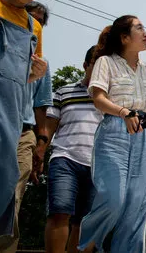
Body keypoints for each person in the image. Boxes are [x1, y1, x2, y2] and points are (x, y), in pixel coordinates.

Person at [77, 15, 146, 252]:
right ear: (125, 37)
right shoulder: (105, 62)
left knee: (138, 204)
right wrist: (123, 112)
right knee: (112, 198)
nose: (145, 32)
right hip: (115, 131)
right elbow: (98, 98)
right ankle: (87, 246)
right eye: (139, 28)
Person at [0, 0, 52, 245]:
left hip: (11, 107)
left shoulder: (33, 27)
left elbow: (20, 74)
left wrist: (35, 74)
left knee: (3, 175)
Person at [38, 46, 102, 253]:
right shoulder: (63, 91)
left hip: (99, 165)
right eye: (96, 63)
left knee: (86, 222)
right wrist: (40, 151)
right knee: (59, 212)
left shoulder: (113, 99)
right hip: (65, 158)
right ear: (85, 66)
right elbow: (50, 125)